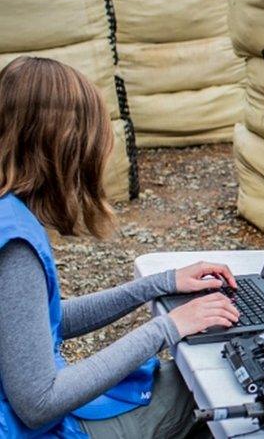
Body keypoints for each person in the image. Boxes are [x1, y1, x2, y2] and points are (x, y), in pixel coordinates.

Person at [0, 56, 241, 438]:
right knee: (208, 392)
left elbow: (39, 321)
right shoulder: (14, 246)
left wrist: (160, 283)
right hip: (43, 430)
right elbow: (38, 403)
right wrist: (170, 326)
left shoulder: (6, 214)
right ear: (61, 147)